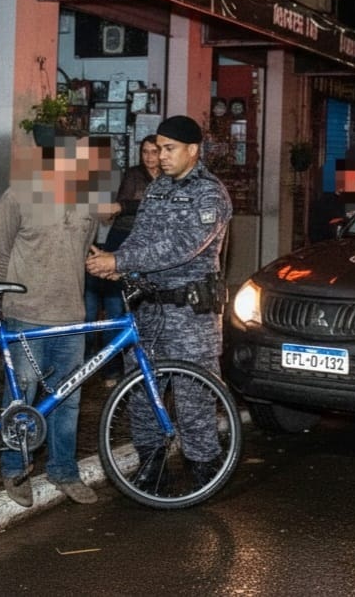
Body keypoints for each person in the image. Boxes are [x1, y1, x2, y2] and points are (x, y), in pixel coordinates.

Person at [86, 115, 232, 488]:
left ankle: (204, 466)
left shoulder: (209, 193)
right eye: (158, 149)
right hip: (148, 307)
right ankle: (151, 460)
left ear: (192, 150)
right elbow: (141, 238)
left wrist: (120, 261)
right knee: (140, 391)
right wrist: (117, 264)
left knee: (193, 396)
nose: (161, 157)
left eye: (169, 149)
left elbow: (183, 247)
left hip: (189, 313)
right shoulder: (157, 190)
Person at [0, 135, 119, 508]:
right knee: (20, 397)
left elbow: (83, 250)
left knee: (68, 400)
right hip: (25, 315)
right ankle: (14, 469)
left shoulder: (89, 204)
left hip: (72, 317)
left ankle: (63, 470)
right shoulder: (20, 194)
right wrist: (4, 300)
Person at [84, 134, 160, 386]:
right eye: (145, 152)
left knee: (137, 311)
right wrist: (119, 208)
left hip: (146, 246)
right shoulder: (134, 174)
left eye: (154, 151)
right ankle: (107, 369)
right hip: (121, 241)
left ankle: (136, 369)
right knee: (113, 308)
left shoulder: (170, 178)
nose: (149, 157)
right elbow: (127, 202)